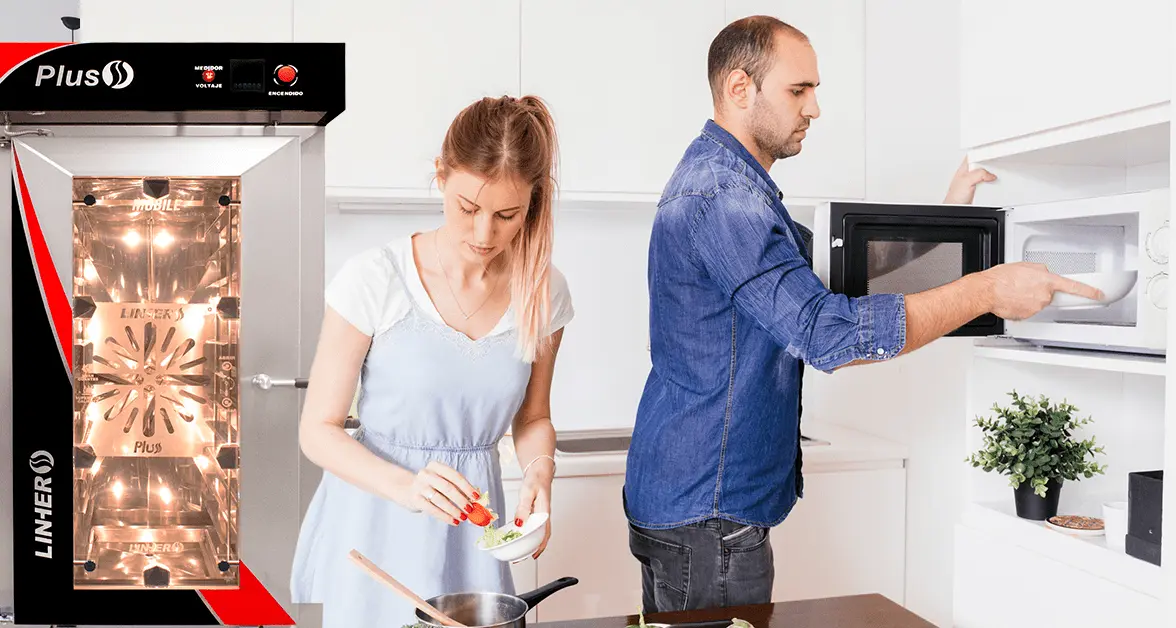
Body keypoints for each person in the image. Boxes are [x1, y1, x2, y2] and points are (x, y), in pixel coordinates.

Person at [622, 15, 1103, 613]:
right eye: (799, 90)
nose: (815, 108)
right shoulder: (725, 199)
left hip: (696, 501)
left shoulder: (732, 188)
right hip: (708, 510)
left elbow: (828, 290)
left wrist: (950, 223)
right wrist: (984, 290)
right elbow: (826, 333)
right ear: (740, 88)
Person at [291, 94, 574, 628]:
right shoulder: (375, 278)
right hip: (372, 522)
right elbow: (317, 430)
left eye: (507, 215)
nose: (484, 234)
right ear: (441, 176)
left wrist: (541, 473)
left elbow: (533, 418)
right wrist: (406, 487)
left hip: (473, 535)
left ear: (532, 203)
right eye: (468, 208)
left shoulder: (544, 292)